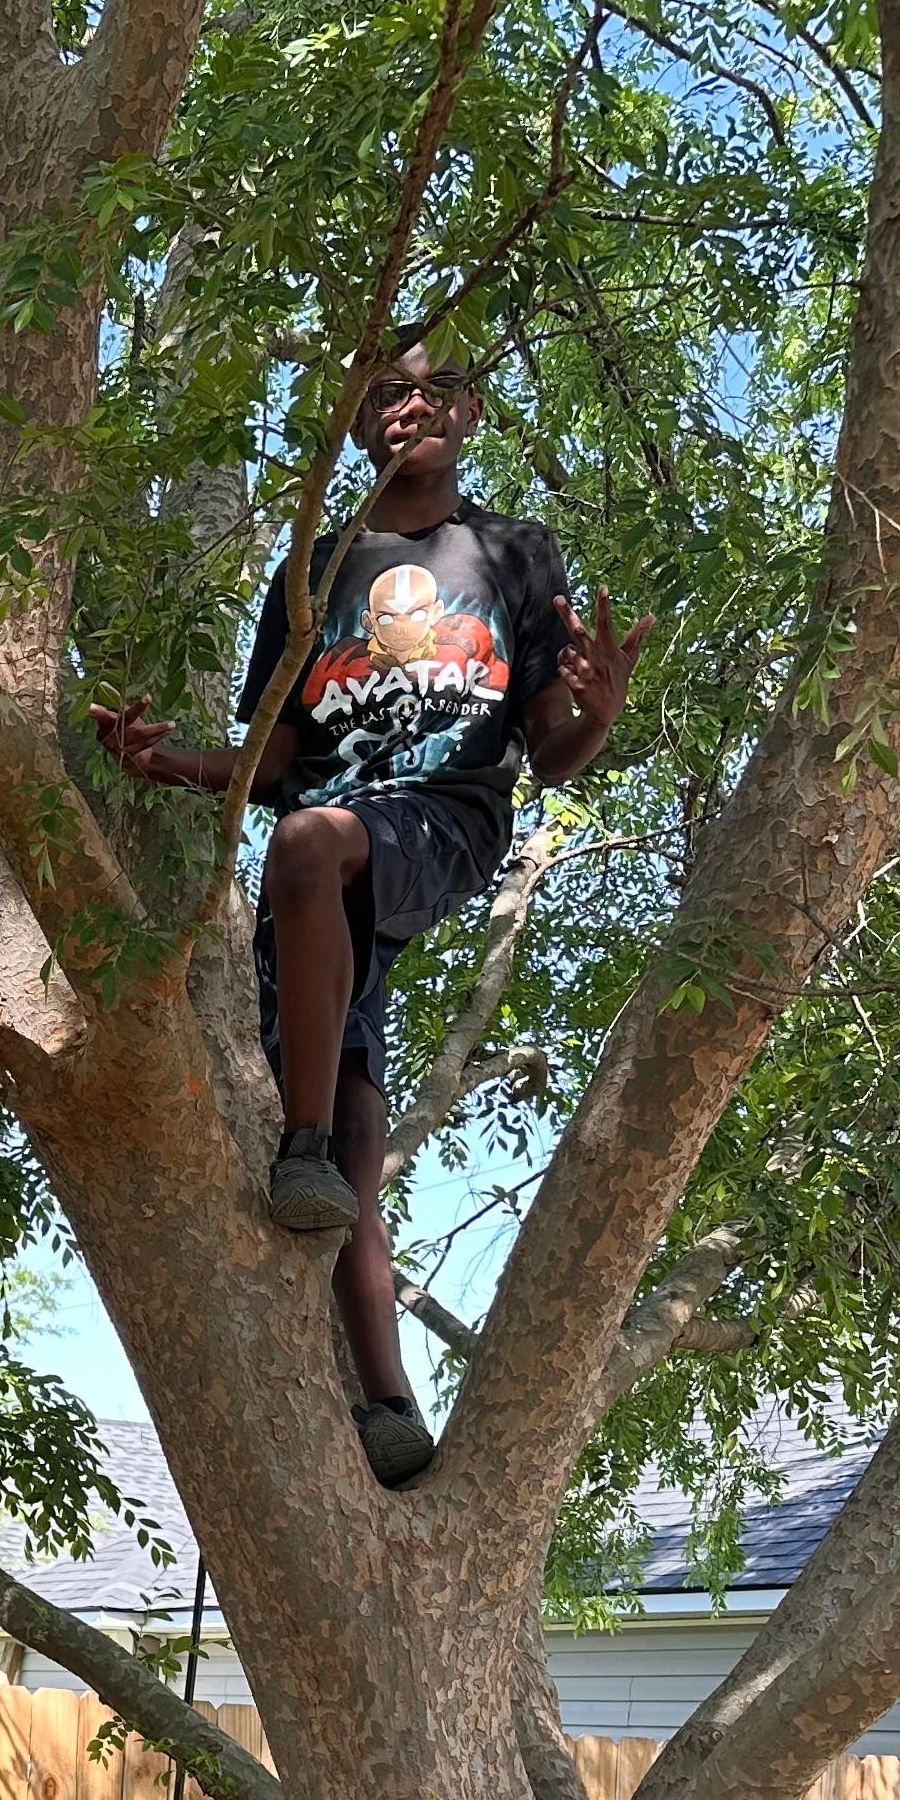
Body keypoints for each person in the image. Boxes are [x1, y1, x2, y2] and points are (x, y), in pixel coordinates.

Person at [94, 347, 647, 1487]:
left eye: (436, 387)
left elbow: (549, 751)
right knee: (357, 1129)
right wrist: (163, 765)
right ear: (356, 431)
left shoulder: (509, 551)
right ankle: (391, 1405)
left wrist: (599, 715)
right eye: (384, 394)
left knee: (308, 846)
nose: (410, 403)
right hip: (326, 890)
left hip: (437, 820)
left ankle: (294, 1149)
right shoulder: (317, 567)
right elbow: (274, 759)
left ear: (470, 410)